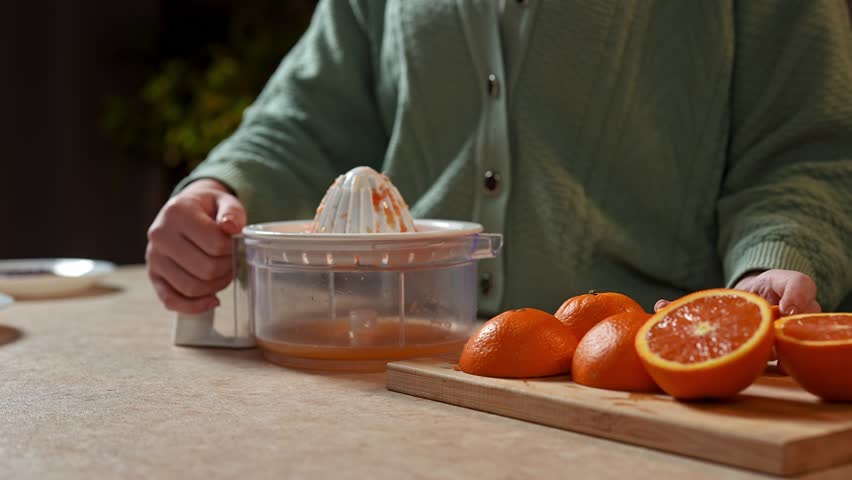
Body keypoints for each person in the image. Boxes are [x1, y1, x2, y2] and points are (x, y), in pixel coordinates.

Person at [146, 0, 852, 317]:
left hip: (653, 392)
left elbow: (805, 149)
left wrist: (773, 265)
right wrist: (219, 190)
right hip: (403, 378)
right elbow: (305, 122)